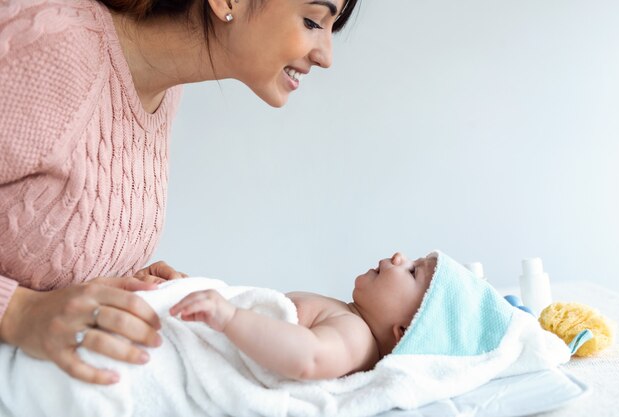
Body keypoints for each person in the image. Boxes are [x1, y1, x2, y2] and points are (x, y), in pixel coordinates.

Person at [0, 0, 359, 385]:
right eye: (312, 21)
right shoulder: (48, 45)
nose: (326, 57)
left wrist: (125, 278)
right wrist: (17, 311)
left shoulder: (165, 88)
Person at [170, 252, 436, 379]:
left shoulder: (356, 337)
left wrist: (227, 317)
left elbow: (308, 357)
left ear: (404, 330)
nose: (401, 257)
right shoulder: (349, 317)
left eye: (413, 271)